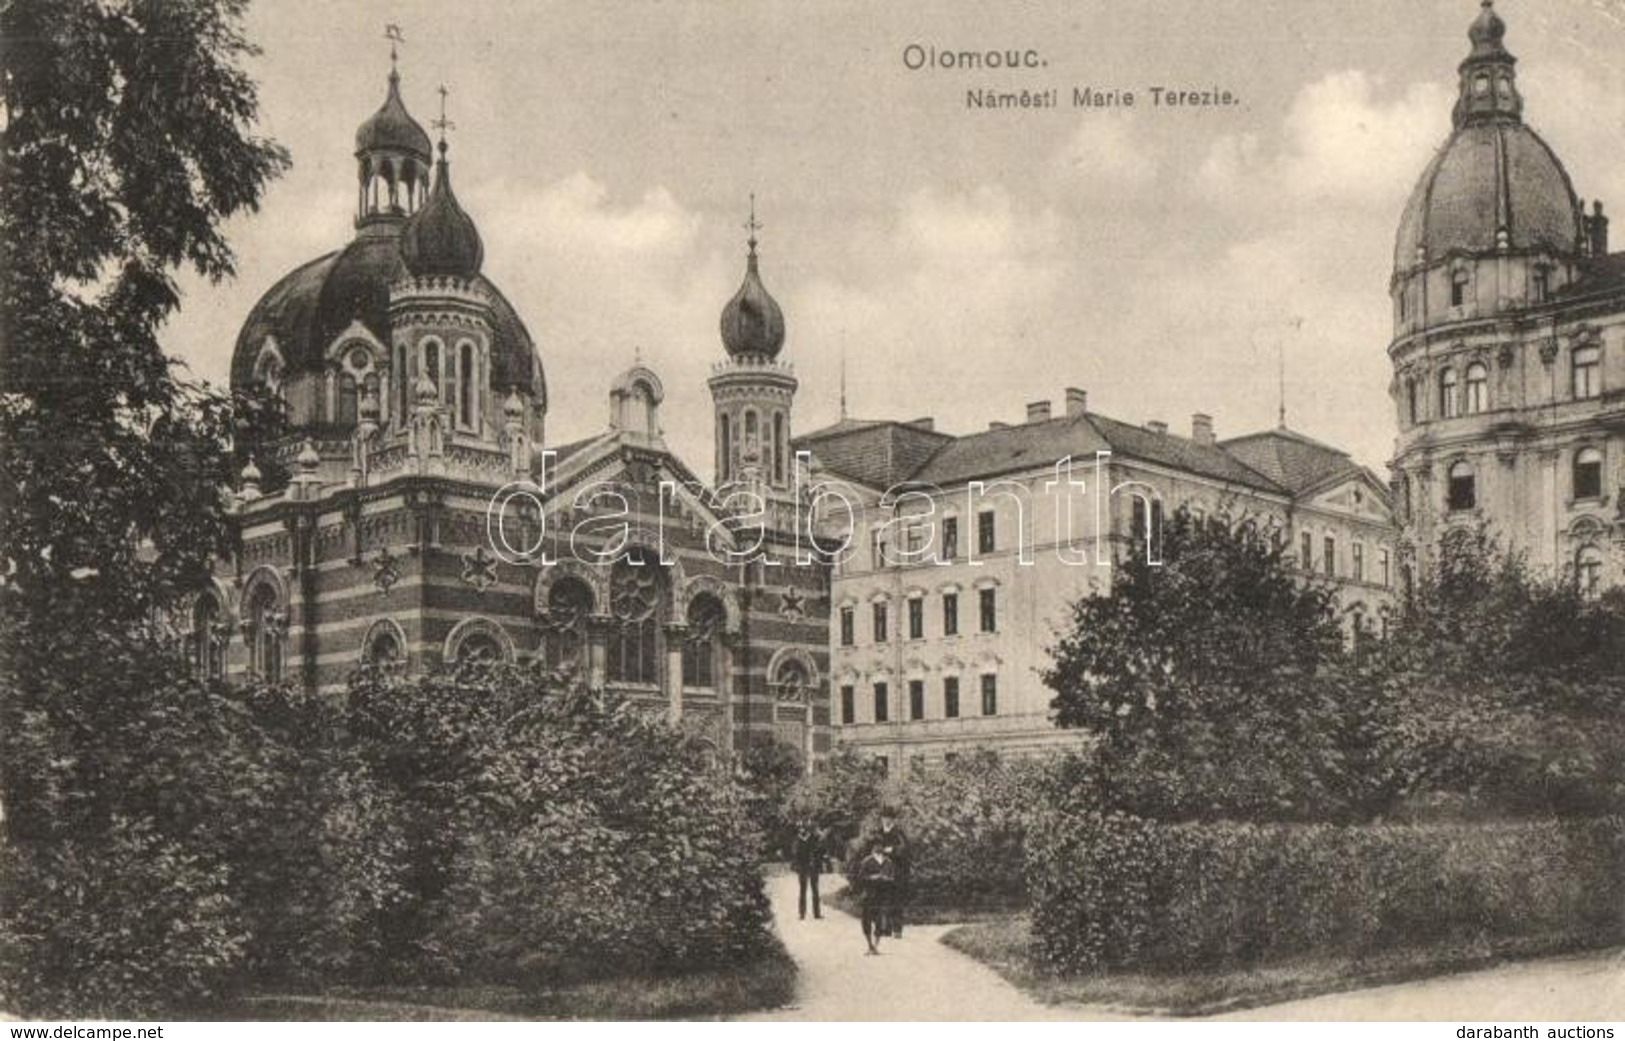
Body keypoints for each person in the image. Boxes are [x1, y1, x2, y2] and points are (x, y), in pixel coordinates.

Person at [851, 842, 897, 955]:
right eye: (876, 849)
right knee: (866, 920)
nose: (878, 849)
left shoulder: (888, 862)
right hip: (869, 894)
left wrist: (886, 878)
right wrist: (872, 877)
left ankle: (875, 946)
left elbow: (892, 878)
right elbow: (860, 878)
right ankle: (870, 945)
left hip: (883, 895)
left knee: (880, 920)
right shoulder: (867, 861)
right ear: (873, 850)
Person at [874, 807, 910, 937]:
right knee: (883, 899)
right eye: (884, 818)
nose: (885, 820)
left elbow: (904, 849)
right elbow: (872, 848)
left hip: (896, 870)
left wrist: (892, 850)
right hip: (882, 869)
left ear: (892, 819)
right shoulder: (879, 832)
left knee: (896, 899)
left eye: (888, 818)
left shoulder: (898, 833)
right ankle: (886, 928)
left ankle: (897, 929)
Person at [791, 819, 828, 920]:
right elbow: (796, 854)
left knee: (812, 890)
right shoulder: (802, 839)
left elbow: (820, 849)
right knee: (806, 890)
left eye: (804, 829)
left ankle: (812, 913)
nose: (803, 831)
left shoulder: (811, 838)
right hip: (806, 867)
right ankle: (804, 913)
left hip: (810, 867)